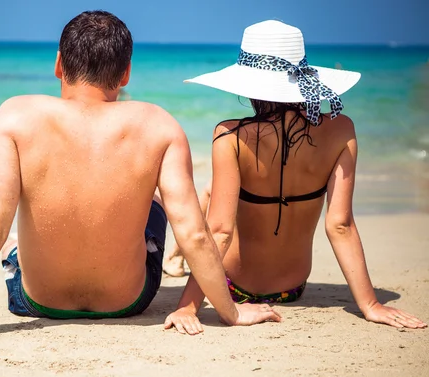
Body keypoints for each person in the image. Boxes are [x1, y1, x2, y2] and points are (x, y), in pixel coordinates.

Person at [0, 11, 281, 347]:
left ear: (59, 64)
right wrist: (231, 313)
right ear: (126, 73)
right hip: (128, 301)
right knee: (156, 205)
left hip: (35, 303)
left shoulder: (14, 117)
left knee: (17, 233)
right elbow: (195, 233)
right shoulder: (159, 125)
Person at [164, 20, 427, 334]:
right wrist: (370, 304)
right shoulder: (341, 129)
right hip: (293, 287)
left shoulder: (230, 135)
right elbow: (339, 224)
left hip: (234, 284)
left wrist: (188, 306)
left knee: (213, 192)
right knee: (218, 188)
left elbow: (220, 230)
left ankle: (177, 257)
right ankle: (178, 257)